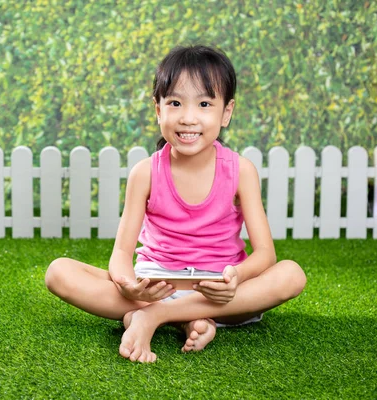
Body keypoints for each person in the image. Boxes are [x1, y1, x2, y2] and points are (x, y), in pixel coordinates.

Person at [44, 45, 307, 363]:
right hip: (156, 283)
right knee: (58, 272)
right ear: (158, 110)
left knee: (292, 274)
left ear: (227, 112)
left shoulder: (241, 170)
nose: (188, 117)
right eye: (175, 103)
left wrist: (234, 277)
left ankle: (151, 317)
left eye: (205, 103)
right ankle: (180, 317)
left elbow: (266, 254)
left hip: (219, 291)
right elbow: (122, 254)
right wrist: (130, 287)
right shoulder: (146, 172)